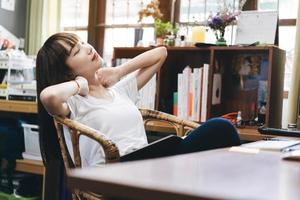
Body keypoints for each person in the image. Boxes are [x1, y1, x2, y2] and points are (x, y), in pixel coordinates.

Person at [36, 32, 240, 168]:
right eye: (76, 51)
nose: (87, 48)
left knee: (220, 131)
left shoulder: (118, 90)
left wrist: (118, 71)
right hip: (113, 175)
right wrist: (80, 85)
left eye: (82, 42)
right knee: (219, 129)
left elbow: (161, 53)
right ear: (65, 72)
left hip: (145, 165)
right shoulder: (73, 103)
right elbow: (48, 96)